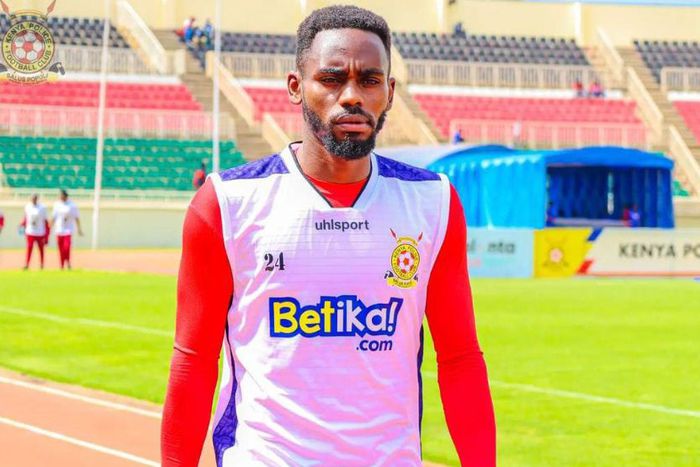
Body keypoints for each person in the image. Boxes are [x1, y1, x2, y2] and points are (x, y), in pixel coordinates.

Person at [161, 6, 495, 467]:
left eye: (370, 80)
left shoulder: (432, 202)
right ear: (296, 87)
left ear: (390, 92)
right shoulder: (227, 203)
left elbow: (459, 360)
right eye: (332, 79)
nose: (352, 96)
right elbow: (194, 361)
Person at [51, 189, 83, 270]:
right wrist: (49, 227)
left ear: (65, 196)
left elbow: (77, 217)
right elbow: (53, 217)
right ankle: (62, 264)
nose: (60, 197)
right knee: (60, 249)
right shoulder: (56, 204)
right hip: (59, 229)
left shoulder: (72, 205)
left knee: (66, 247)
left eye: (62, 195)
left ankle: (68, 262)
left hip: (68, 230)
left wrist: (79, 229)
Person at [21, 194, 48, 270]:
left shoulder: (42, 207)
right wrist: (22, 224)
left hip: (40, 232)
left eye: (35, 198)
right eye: (32, 198)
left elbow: (45, 220)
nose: (33, 200)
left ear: (37, 199)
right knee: (29, 248)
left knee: (41, 249)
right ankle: (27, 264)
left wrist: (46, 234)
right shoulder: (27, 206)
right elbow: (26, 218)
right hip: (30, 231)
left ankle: (42, 264)